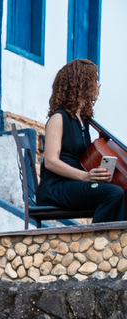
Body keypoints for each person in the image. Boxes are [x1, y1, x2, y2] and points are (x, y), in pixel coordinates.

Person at [37, 59, 126, 223]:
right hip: (55, 187)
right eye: (94, 80)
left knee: (119, 191)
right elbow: (50, 161)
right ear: (80, 83)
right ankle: (100, 242)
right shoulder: (59, 117)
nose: (99, 85)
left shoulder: (84, 121)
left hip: (74, 184)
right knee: (113, 193)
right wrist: (86, 176)